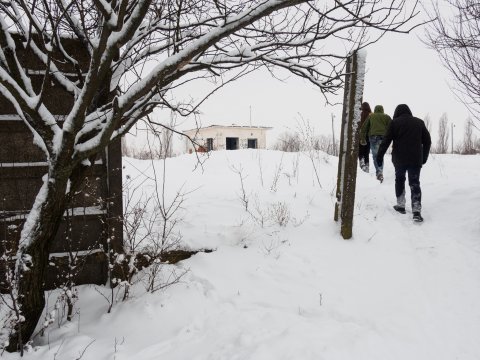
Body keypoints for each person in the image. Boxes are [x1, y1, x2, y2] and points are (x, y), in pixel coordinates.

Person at [376, 104, 431, 222]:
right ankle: (416, 210)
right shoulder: (419, 122)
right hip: (415, 159)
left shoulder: (394, 123)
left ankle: (401, 205)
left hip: (399, 159)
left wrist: (379, 156)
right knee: (414, 182)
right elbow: (428, 141)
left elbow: (386, 141)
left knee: (400, 180)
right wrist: (424, 157)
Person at [360, 105, 391, 182]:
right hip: (383, 138)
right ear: (382, 110)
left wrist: (363, 139)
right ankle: (380, 172)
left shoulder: (371, 116)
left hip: (373, 138)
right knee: (381, 155)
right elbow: (392, 127)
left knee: (375, 156)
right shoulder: (386, 117)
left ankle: (378, 172)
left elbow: (364, 127)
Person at [358, 102, 372, 173]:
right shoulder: (371, 115)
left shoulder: (360, 114)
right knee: (367, 151)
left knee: (361, 150)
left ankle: (362, 163)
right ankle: (367, 166)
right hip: (369, 136)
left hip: (361, 135)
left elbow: (358, 125)